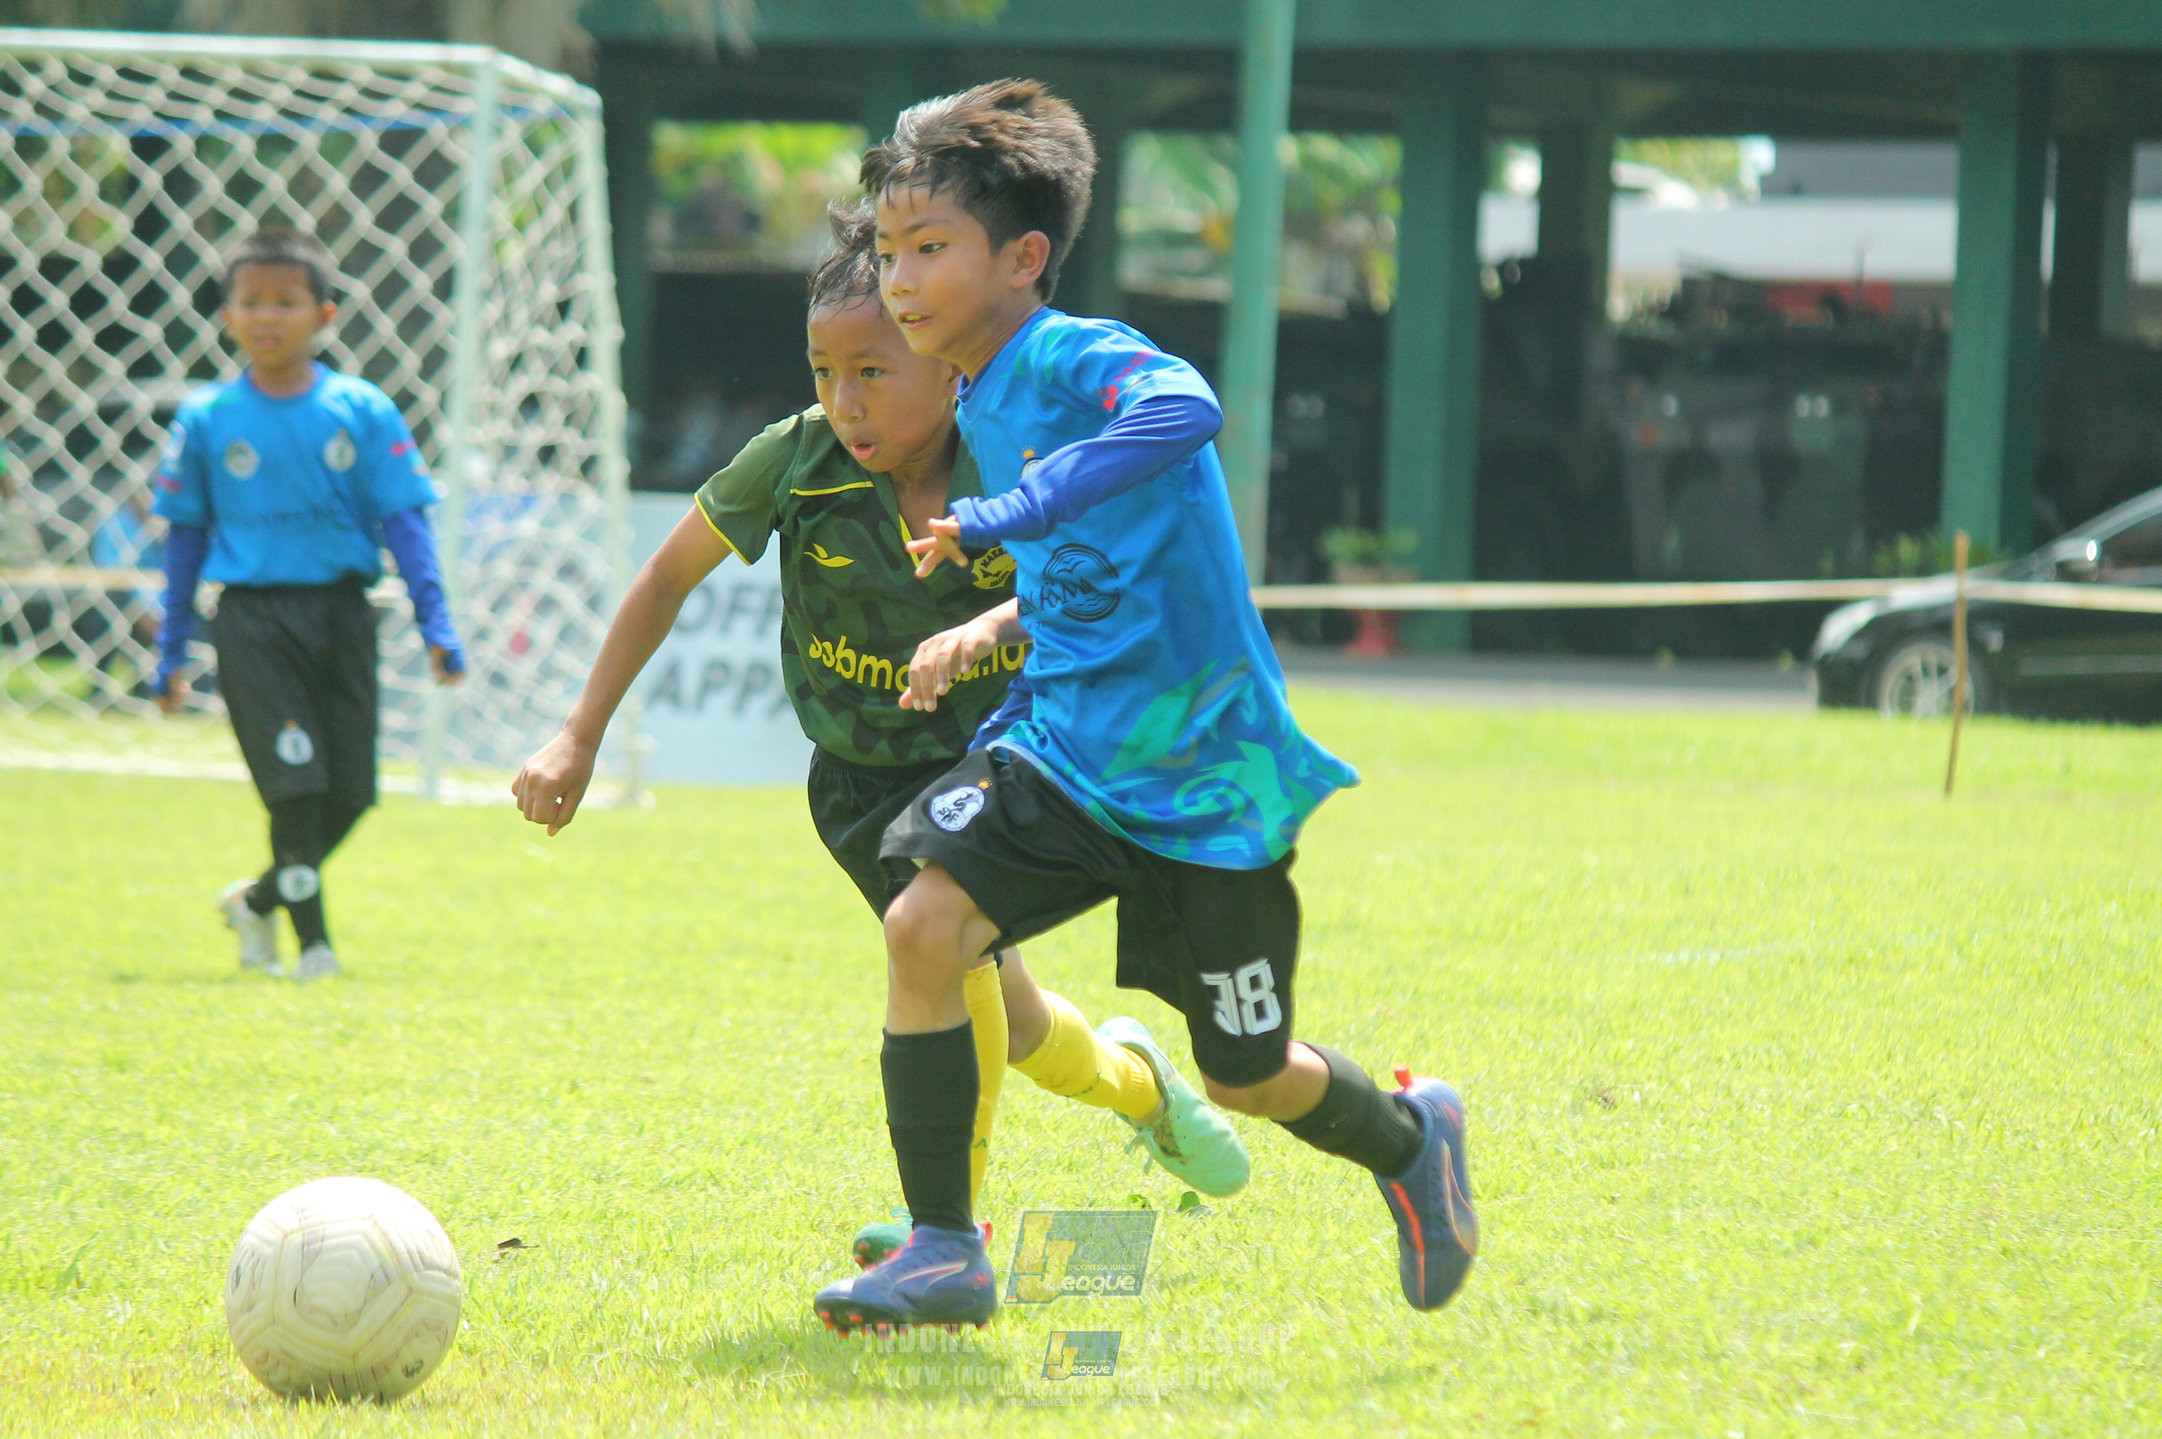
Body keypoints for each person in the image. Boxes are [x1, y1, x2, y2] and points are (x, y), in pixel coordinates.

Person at [812, 79, 1477, 1335]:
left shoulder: (1068, 355)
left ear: (1023, 258)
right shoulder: (976, 394)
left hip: (1200, 776)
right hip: (1064, 746)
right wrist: (994, 622)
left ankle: (1408, 1135)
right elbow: (1102, 572)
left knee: (1246, 1068)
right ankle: (946, 1248)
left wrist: (1019, 507)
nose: (898, 280)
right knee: (922, 924)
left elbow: (1185, 411)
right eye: (889, 251)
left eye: (928, 249)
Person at [510, 206, 1250, 1270]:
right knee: (1014, 1013)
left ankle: (946, 1231)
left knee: (958, 968)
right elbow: (667, 574)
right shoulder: (794, 462)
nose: (841, 400)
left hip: (994, 761)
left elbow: (1098, 592)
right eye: (823, 371)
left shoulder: (1018, 467)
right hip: (853, 787)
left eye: (871, 371)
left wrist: (994, 625)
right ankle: (1140, 1087)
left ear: (949, 365)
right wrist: (579, 734)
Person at [153, 228, 465, 980]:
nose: (268, 316)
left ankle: (256, 901)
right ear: (226, 315)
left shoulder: (362, 409)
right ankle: (315, 950)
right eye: (251, 301)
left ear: (323, 314)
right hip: (254, 623)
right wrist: (170, 649)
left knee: (352, 793)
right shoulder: (205, 419)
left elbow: (405, 524)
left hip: (343, 614)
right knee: (297, 783)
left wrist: (437, 621)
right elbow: (184, 542)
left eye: (285, 301)